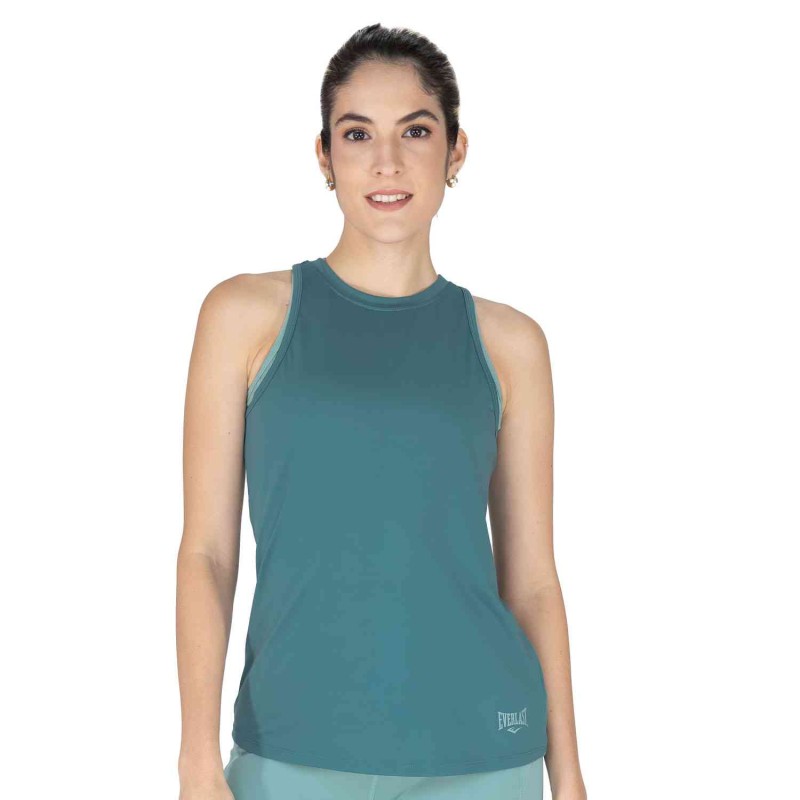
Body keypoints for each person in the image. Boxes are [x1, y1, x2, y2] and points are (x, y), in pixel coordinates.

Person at [176, 22, 587, 800]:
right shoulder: (243, 316)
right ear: (324, 156)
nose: (387, 162)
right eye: (358, 133)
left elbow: (533, 581)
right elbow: (207, 554)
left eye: (417, 131)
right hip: (291, 750)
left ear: (456, 151)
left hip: (485, 754)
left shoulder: (511, 344)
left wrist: (567, 775)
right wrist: (197, 758)